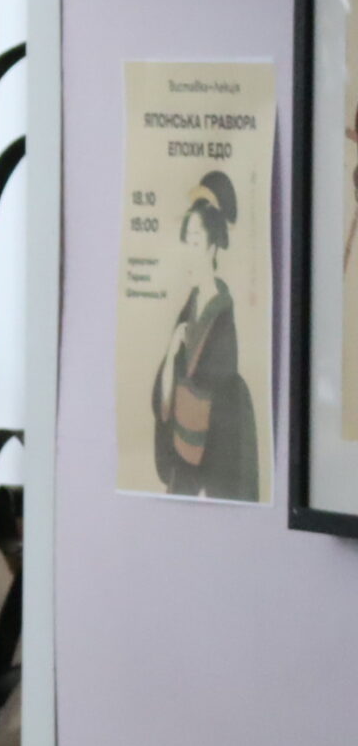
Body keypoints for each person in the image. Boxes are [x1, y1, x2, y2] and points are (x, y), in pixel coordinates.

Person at [151, 170, 260, 500]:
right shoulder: (191, 305)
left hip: (209, 470)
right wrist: (172, 352)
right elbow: (165, 400)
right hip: (184, 466)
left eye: (195, 241)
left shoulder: (221, 316)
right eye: (186, 240)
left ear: (212, 247)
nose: (187, 249)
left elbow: (218, 407)